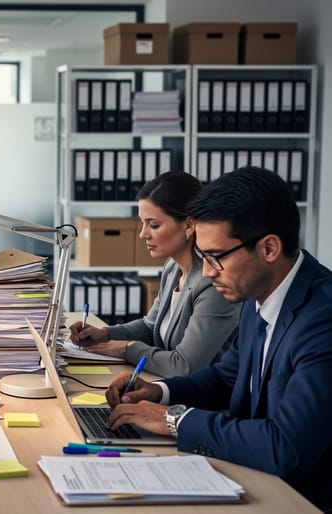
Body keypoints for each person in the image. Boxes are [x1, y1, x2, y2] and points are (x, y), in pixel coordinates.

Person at [104, 167, 332, 512]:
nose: (207, 272)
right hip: (253, 477)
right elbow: (227, 377)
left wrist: (173, 419)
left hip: (301, 499)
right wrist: (161, 392)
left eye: (215, 257)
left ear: (269, 247)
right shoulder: (259, 293)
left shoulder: (323, 319)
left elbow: (286, 446)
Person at [69, 171, 240, 377]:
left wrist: (125, 348)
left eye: (154, 224)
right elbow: (150, 327)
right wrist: (104, 334)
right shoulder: (172, 268)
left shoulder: (213, 283)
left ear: (188, 225)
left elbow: (183, 365)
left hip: (200, 403)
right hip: (161, 384)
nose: (142, 234)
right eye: (142, 223)